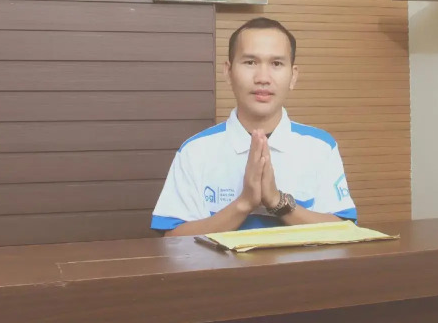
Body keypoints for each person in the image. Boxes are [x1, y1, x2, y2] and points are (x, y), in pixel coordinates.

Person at [151, 18, 357, 236]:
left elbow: (345, 231)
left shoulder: (321, 147)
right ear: (228, 72)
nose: (263, 78)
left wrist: (277, 201)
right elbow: (171, 238)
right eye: (250, 62)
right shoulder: (194, 151)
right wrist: (244, 203)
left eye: (276, 64)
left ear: (293, 76)